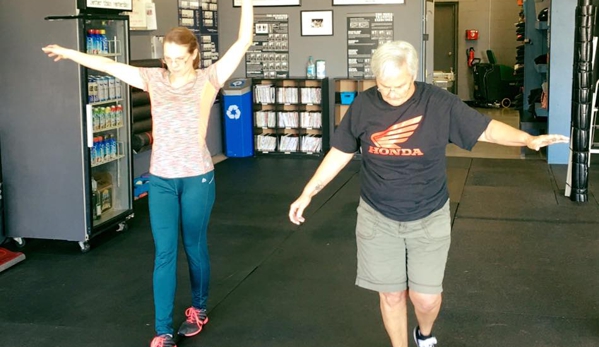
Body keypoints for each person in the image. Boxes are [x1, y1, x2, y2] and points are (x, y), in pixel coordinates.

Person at [288, 41, 568, 347]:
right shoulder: (364, 105)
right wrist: (308, 193)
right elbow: (340, 152)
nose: (392, 94)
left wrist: (526, 139)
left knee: (425, 298)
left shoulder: (438, 102)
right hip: (377, 216)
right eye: (384, 87)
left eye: (400, 86)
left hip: (428, 214)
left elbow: (485, 129)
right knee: (392, 295)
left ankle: (423, 334)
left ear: (414, 74)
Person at [42, 1, 253, 346]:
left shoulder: (209, 77)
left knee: (194, 247)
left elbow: (243, 41)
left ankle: (199, 309)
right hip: (161, 179)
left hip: (197, 176)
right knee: (164, 252)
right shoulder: (153, 78)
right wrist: (70, 52)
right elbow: (108, 64)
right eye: (168, 57)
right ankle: (163, 331)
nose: (172, 64)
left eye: (179, 58)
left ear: (194, 54)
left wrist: (247, 3)